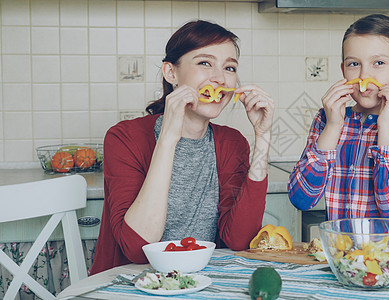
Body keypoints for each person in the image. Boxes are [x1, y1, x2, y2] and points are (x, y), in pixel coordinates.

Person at [91, 20, 275, 274]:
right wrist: (168, 137)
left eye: (229, 68)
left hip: (205, 283)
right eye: (204, 63)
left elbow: (239, 240)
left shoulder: (233, 144)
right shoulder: (124, 138)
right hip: (133, 284)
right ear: (171, 73)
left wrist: (262, 135)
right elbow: (136, 247)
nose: (219, 78)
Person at [288, 14, 389, 259]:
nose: (364, 75)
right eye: (353, 64)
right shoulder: (327, 120)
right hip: (348, 260)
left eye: (378, 63)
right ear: (343, 71)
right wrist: (333, 127)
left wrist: (386, 128)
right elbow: (301, 198)